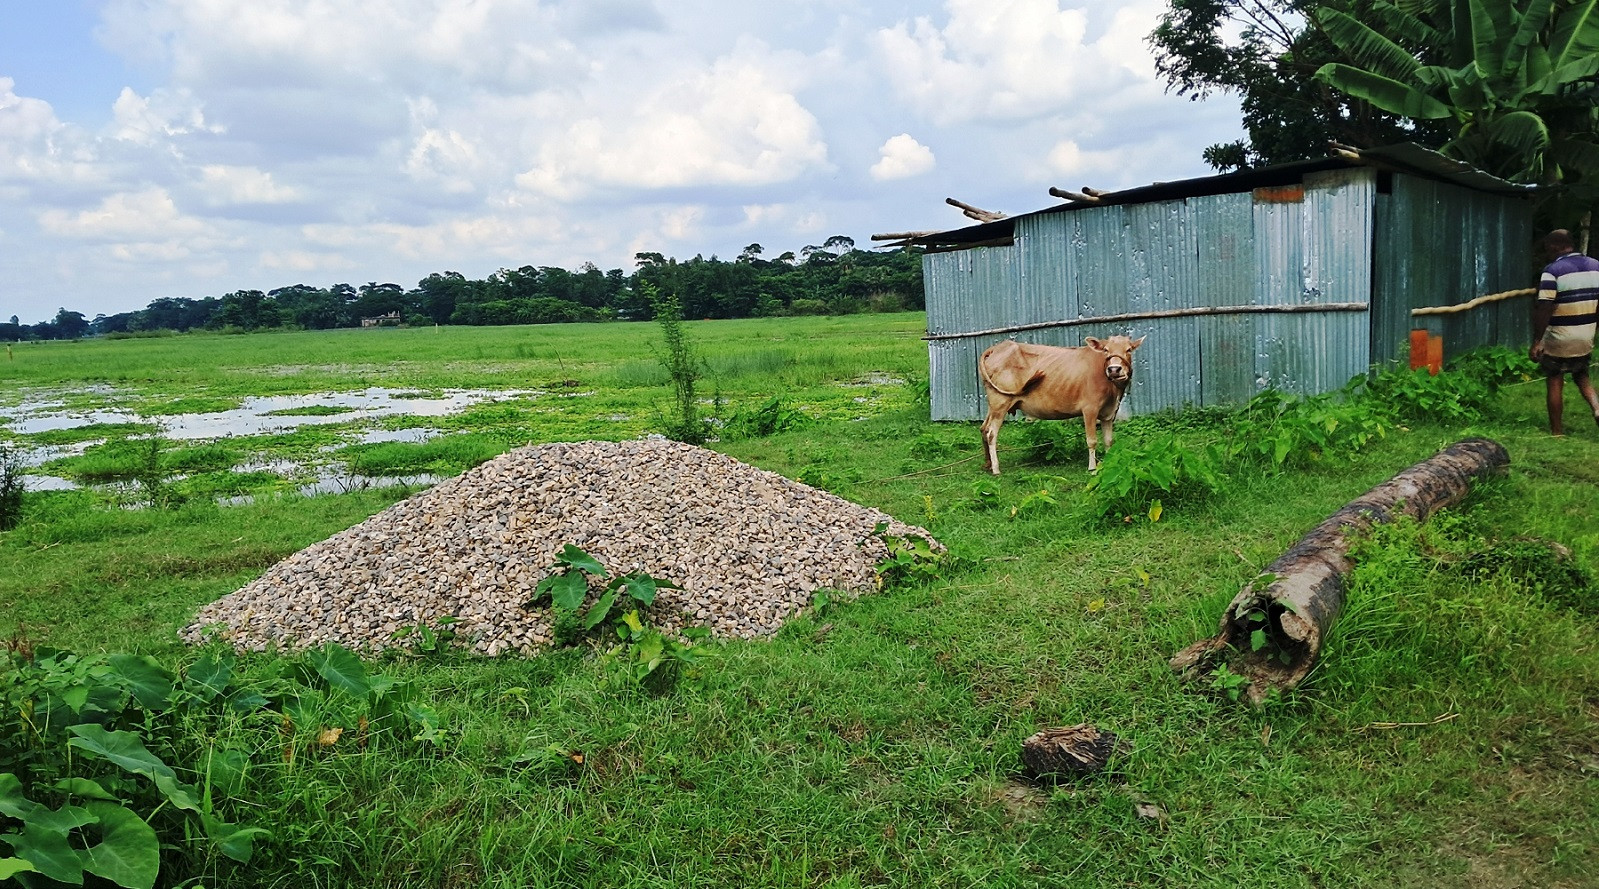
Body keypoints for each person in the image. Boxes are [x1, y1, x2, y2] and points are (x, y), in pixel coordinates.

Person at [1530, 229, 1599, 436]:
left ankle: (1557, 433)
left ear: (1554, 247)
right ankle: (1597, 407)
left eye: (1547, 249)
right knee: (1582, 375)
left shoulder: (1552, 271)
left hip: (1560, 336)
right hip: (1586, 334)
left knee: (1554, 378)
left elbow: (1545, 308)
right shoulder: (1596, 266)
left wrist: (1537, 341)